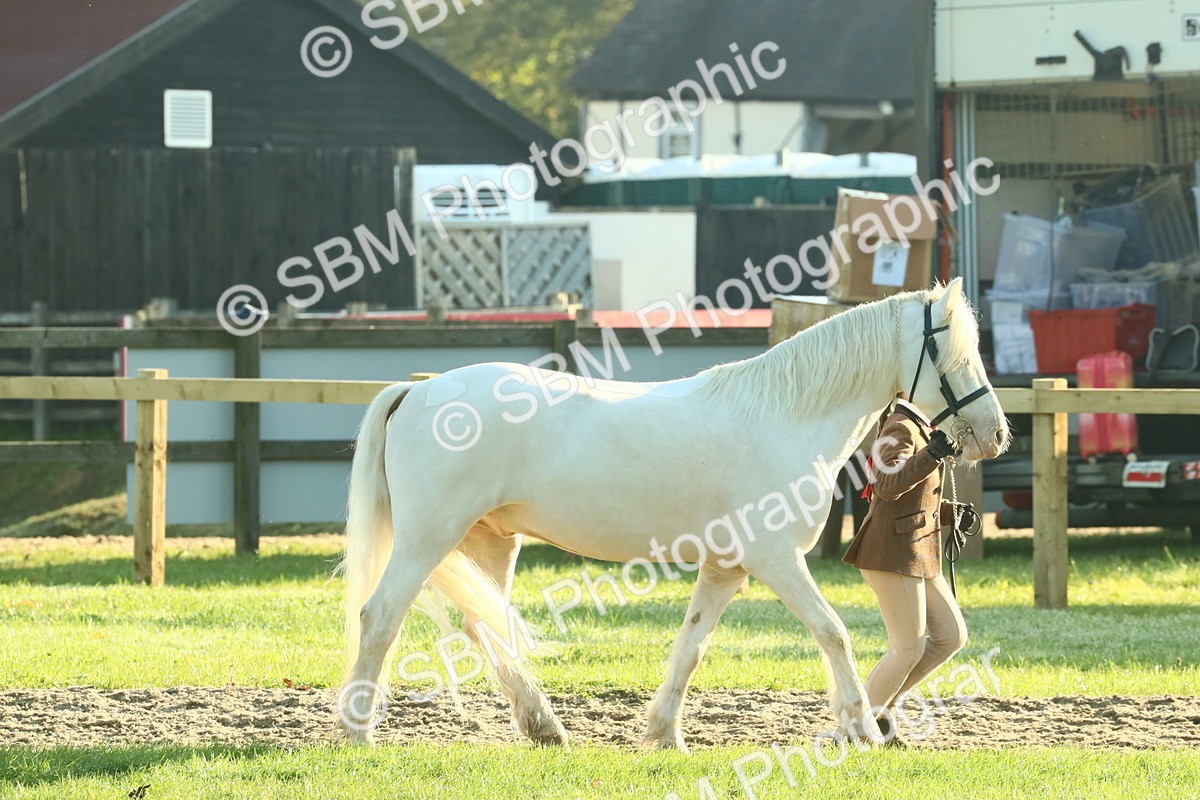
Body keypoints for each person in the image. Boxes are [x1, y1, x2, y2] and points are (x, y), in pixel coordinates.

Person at [842, 397, 970, 743]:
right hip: (891, 554)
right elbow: (887, 486)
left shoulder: (920, 426)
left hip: (915, 550)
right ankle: (854, 730)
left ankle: (879, 713)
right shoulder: (900, 425)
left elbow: (910, 498)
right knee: (907, 649)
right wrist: (933, 454)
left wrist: (946, 513)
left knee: (951, 636)